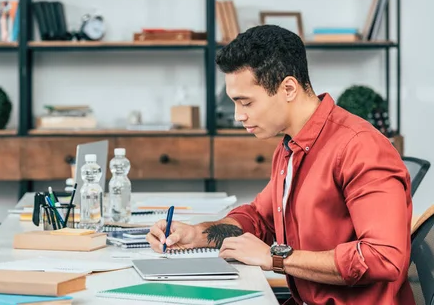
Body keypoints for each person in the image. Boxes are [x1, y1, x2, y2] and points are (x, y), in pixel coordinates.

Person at [146, 25, 414, 305]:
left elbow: (383, 257)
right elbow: (259, 219)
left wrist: (274, 258)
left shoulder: (360, 147)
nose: (238, 116)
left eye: (246, 102)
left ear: (288, 88)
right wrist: (195, 235)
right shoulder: (291, 146)